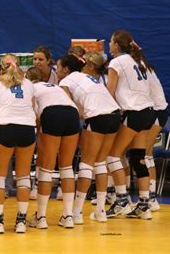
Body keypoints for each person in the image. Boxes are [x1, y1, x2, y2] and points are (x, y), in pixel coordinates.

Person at [57, 54, 121, 223]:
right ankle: (100, 211)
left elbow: (69, 108)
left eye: (57, 68)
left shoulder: (65, 81)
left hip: (97, 116)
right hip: (114, 115)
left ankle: (76, 212)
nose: (56, 71)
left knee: (87, 163)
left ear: (65, 69)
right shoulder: (88, 76)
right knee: (100, 162)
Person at [105, 30, 155, 220]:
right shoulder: (139, 60)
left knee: (112, 156)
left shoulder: (117, 62)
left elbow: (109, 92)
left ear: (117, 45)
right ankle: (144, 204)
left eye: (110, 42)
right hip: (148, 111)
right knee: (137, 158)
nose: (109, 45)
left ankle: (122, 200)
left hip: (134, 112)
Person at [0, 54, 36, 234]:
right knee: (23, 176)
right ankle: (21, 222)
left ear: (1, 66)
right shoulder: (29, 83)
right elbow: (34, 109)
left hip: (7, 127)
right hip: (27, 128)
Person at [25, 67, 80, 229]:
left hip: (51, 113)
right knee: (67, 166)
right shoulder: (55, 86)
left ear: (27, 78)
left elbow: (34, 115)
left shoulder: (30, 88)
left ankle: (41, 217)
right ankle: (68, 216)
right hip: (72, 113)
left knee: (46, 168)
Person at [144, 61, 169, 212]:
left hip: (156, 111)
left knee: (146, 153)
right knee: (146, 154)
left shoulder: (140, 69)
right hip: (154, 111)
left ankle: (152, 198)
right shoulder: (144, 67)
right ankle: (150, 197)